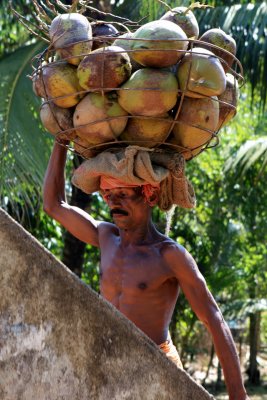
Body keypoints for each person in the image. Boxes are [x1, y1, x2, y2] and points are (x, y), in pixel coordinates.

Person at [43, 141, 249, 400]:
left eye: (123, 195)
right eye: (108, 195)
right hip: (109, 363)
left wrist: (238, 394)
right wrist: (61, 141)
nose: (113, 203)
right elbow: (54, 205)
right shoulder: (105, 236)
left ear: (150, 195)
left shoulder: (169, 255)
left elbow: (213, 318)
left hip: (157, 369)